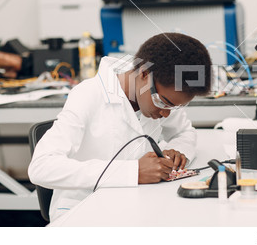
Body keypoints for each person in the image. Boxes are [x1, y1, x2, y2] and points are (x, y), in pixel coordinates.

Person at [28, 32, 212, 222]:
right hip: (85, 212)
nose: (166, 113)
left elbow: (184, 132)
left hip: (137, 205)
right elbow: (41, 167)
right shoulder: (88, 95)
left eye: (176, 107)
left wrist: (178, 152)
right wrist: (133, 172)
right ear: (144, 74)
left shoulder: (164, 94)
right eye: (164, 103)